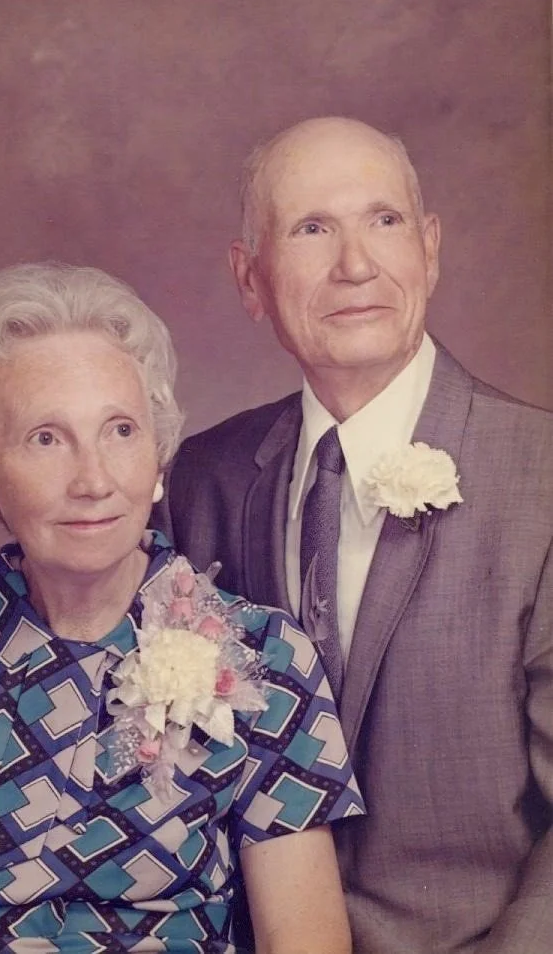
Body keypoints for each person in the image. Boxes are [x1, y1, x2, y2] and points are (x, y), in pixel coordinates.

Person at [153, 118, 553, 953]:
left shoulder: (541, 476)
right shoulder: (200, 480)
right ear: (249, 279)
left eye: (384, 221)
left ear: (430, 249)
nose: (355, 265)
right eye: (310, 229)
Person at [0, 262, 364, 954]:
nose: (93, 480)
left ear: (157, 456)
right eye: (45, 438)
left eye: (119, 431)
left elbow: (307, 943)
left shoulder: (265, 657)